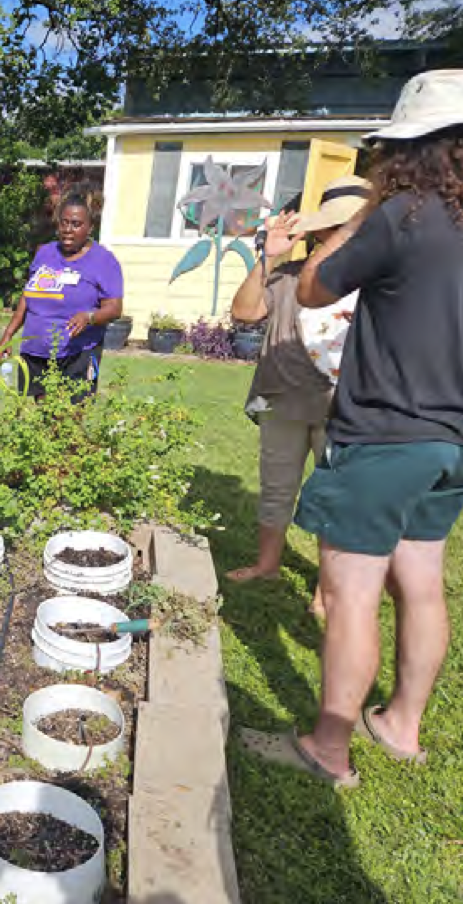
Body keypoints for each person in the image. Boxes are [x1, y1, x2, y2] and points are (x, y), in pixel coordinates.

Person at [242, 69, 463, 787]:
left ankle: (328, 747)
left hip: (383, 435)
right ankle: (401, 725)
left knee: (350, 592)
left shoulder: (404, 217)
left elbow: (311, 288)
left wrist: (362, 216)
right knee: (423, 584)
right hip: (449, 443)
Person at [226, 176, 372, 596]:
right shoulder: (290, 276)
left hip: (346, 407)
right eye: (337, 226)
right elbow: (244, 311)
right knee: (276, 487)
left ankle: (329, 591)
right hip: (282, 399)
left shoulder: (377, 281)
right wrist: (268, 259)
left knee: (338, 498)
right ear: (320, 231)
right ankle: (267, 565)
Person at [0, 192, 124, 400]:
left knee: (70, 419)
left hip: (77, 353)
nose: (68, 230)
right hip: (36, 350)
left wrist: (89, 317)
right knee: (43, 415)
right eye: (64, 223)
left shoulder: (103, 260)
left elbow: (114, 308)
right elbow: (28, 295)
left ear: (90, 228)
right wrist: (9, 333)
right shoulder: (45, 253)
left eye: (76, 224)